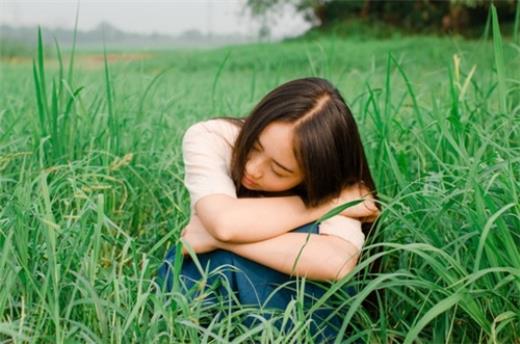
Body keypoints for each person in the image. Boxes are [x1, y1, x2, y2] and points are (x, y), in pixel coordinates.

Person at [157, 77, 379, 341]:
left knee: (311, 254)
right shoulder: (212, 137)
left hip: (291, 304)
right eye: (254, 146)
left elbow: (336, 262)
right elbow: (226, 223)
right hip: (203, 292)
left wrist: (216, 239)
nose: (252, 169)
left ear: (314, 175)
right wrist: (325, 205)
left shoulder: (337, 183)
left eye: (279, 170)